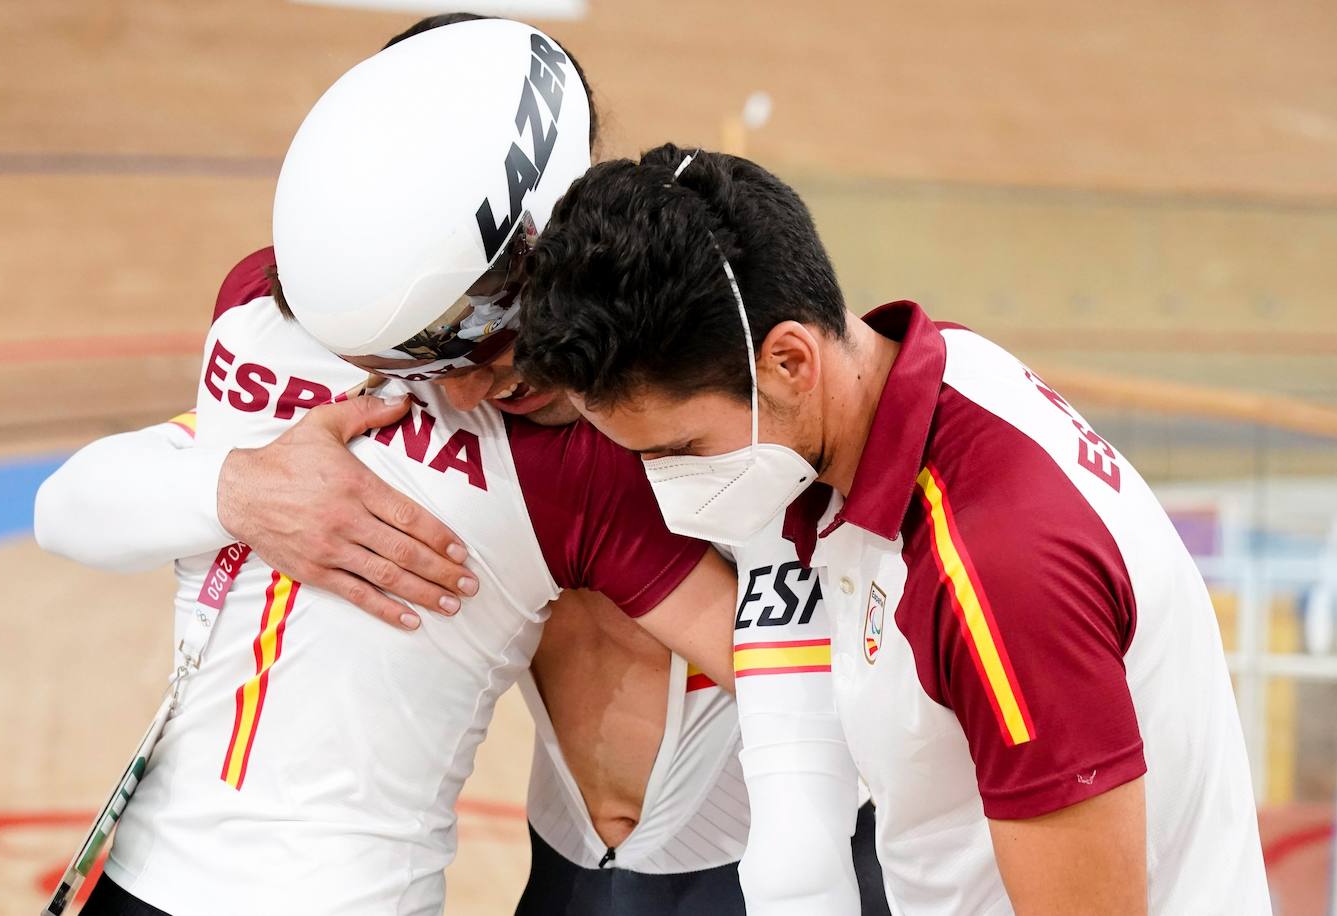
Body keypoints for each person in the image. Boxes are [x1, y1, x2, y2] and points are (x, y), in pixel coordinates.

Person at [37, 18, 891, 915]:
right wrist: (234, 486)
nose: (486, 385)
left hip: (680, 858)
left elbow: (810, 669)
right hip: (539, 858)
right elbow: (81, 502)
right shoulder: (283, 321)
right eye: (443, 360)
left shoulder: (627, 421)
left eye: (514, 334)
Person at [510, 144, 1275, 915]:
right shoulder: (911, 393)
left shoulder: (993, 571)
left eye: (679, 451)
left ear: (788, 362)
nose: (665, 486)